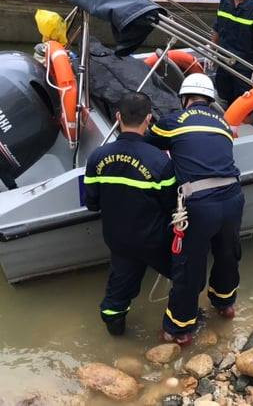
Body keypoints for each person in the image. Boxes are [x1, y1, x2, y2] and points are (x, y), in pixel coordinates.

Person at [148, 73, 244, 345]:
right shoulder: (223, 124)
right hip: (234, 197)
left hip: (200, 204)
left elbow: (147, 147)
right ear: (209, 100)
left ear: (184, 99)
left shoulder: (173, 122)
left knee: (189, 264)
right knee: (227, 253)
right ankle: (225, 304)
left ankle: (179, 328)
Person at [83, 91, 176, 336]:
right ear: (149, 119)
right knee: (187, 277)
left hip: (118, 240)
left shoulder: (96, 158)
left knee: (118, 293)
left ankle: (115, 334)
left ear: (117, 117)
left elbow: (91, 203)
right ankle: (179, 324)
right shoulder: (160, 161)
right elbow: (172, 206)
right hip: (154, 240)